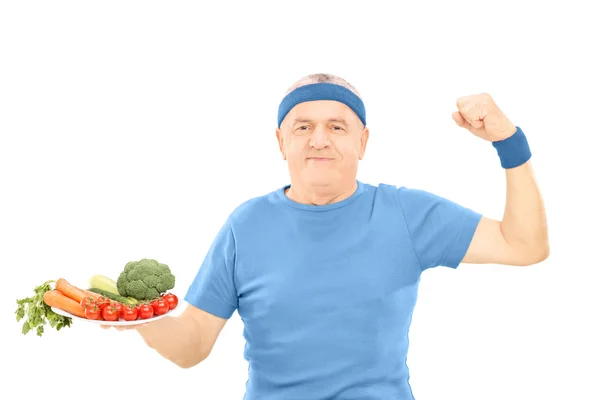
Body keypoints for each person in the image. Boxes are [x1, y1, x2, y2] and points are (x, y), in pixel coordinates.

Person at [112, 73, 549, 400]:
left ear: (363, 141)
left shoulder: (404, 213)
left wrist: (509, 141)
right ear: (281, 142)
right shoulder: (245, 226)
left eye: (337, 127)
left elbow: (524, 245)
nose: (319, 140)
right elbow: (191, 346)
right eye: (303, 127)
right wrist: (135, 317)